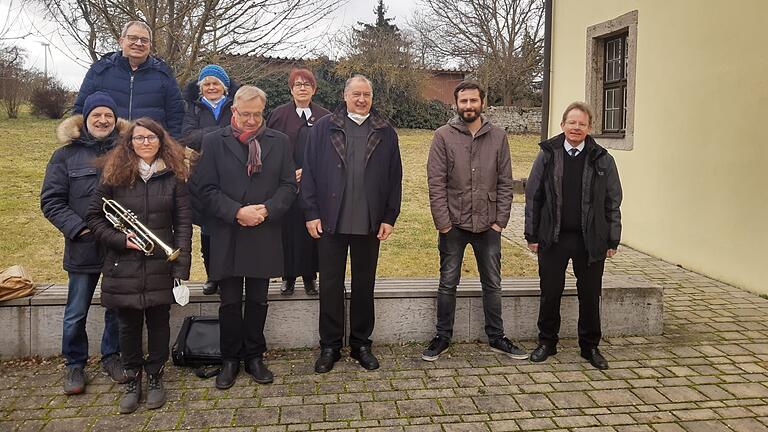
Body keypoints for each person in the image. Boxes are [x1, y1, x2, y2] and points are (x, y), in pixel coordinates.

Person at [193, 86, 297, 389]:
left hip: (263, 230)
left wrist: (266, 210)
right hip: (228, 231)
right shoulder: (213, 142)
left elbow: (289, 186)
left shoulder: (279, 142)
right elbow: (206, 189)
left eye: (256, 114)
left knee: (257, 299)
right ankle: (229, 359)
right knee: (228, 301)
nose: (251, 120)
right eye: (245, 114)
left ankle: (254, 355)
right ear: (233, 111)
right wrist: (238, 212)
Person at [86, 117, 192, 413]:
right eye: (139, 138)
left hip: (160, 262)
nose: (145, 142)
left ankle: (156, 376)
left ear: (161, 140)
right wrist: (121, 239)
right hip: (123, 264)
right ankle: (133, 379)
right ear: (129, 142)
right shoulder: (114, 173)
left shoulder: (174, 175)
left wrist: (180, 267)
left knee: (159, 323)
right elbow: (94, 217)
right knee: (127, 325)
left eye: (151, 137)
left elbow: (183, 224)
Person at [302, 75, 403, 373]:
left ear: (372, 98)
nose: (361, 99)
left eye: (367, 95)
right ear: (345, 96)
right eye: (356, 94)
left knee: (364, 284)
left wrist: (389, 216)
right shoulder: (324, 128)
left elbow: (394, 178)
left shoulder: (385, 132)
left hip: (369, 223)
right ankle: (330, 346)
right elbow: (308, 172)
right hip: (331, 221)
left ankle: (361, 343)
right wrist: (310, 213)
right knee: (330, 285)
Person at [422, 80, 528, 362]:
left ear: (483, 102)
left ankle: (497, 337)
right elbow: (436, 183)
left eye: (473, 101)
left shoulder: (498, 137)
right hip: (453, 224)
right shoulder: (442, 136)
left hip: (488, 224)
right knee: (448, 282)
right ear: (456, 104)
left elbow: (506, 182)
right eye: (463, 101)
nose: (468, 106)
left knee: (493, 283)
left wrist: (500, 222)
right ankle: (442, 337)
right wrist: (443, 223)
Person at [41, 92, 129, 395]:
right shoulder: (64, 155)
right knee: (75, 310)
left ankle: (112, 356)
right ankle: (74, 365)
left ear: (115, 120)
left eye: (108, 115)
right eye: (97, 115)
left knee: (116, 307)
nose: (103, 120)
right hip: (83, 244)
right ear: (86, 119)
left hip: (118, 245)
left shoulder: (127, 151)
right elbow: (51, 201)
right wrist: (78, 229)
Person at [524, 101, 623, 370]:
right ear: (563, 125)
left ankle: (589, 347)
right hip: (553, 238)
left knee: (590, 294)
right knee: (550, 292)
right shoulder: (548, 154)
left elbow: (612, 202)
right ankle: (547, 342)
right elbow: (534, 196)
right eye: (572, 122)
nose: (576, 127)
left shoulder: (602, 158)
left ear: (589, 128)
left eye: (582, 123)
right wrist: (531, 235)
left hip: (589, 239)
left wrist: (612, 239)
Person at [266, 68, 331, 296]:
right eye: (297, 84)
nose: (302, 88)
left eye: (307, 84)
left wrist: (310, 172)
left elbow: (332, 151)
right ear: (291, 89)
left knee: (311, 229)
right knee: (289, 231)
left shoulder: (325, 116)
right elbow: (270, 148)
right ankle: (288, 275)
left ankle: (310, 276)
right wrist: (289, 172)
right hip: (286, 183)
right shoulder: (278, 115)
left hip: (316, 184)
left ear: (314, 89)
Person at [181, 64, 239, 295]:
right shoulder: (192, 109)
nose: (212, 87)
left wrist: (207, 134)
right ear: (201, 88)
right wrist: (219, 133)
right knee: (207, 230)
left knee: (230, 225)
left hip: (232, 173)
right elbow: (187, 136)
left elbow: (240, 131)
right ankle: (212, 276)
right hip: (202, 174)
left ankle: (232, 274)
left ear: (224, 88)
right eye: (207, 84)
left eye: (216, 83)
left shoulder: (233, 106)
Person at [73, 21, 185, 137]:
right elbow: (80, 111)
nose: (138, 43)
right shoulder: (100, 71)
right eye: (133, 38)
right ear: (121, 41)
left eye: (144, 40)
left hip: (149, 148)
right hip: (106, 148)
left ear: (150, 45)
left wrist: (172, 149)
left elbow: (176, 117)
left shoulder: (163, 75)